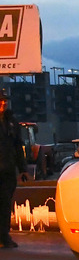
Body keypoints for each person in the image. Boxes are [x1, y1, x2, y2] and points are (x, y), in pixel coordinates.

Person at [0, 90, 27, 249]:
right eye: (0, 100)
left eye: (5, 100)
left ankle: (4, 236)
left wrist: (23, 169)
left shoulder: (12, 122)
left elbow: (18, 146)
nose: (3, 103)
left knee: (5, 205)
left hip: (8, 170)